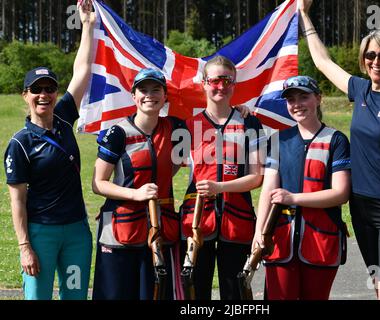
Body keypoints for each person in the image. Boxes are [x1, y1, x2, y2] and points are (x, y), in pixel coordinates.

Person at [298, 0, 380, 300]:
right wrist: (304, 15)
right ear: (363, 59)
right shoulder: (360, 90)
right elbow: (322, 62)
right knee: (378, 285)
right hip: (361, 207)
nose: (376, 61)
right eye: (370, 55)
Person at [3, 1, 96, 300]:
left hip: (76, 235)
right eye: (37, 90)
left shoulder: (65, 115)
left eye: (49, 89)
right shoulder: (20, 143)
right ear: (25, 95)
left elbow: (82, 70)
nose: (44, 95)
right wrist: (24, 246)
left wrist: (88, 25)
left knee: (74, 296)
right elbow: (17, 201)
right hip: (41, 234)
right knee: (38, 298)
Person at [91, 67, 186, 300]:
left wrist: (242, 110)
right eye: (143, 90)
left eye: (156, 90)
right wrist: (137, 194)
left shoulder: (176, 128)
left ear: (165, 96)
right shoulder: (117, 133)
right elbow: (98, 183)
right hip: (119, 231)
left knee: (153, 295)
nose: (149, 95)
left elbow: (212, 120)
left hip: (159, 231)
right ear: (134, 96)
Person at [253, 75, 351, 300]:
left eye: (303, 97)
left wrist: (294, 198)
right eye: (291, 99)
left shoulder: (336, 140)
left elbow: (340, 193)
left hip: (321, 240)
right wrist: (259, 232)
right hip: (280, 238)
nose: (296, 104)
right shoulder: (278, 140)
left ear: (318, 98)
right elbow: (268, 189)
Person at [180, 55, 264, 300]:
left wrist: (219, 186)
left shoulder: (250, 122)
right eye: (215, 80)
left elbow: (256, 176)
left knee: (235, 293)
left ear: (234, 85)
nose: (221, 86)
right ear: (204, 83)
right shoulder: (187, 125)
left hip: (236, 220)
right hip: (196, 222)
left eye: (227, 81)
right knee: (195, 291)